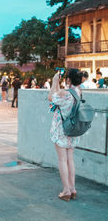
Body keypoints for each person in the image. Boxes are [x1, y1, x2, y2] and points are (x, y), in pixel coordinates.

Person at [48, 68, 84, 202]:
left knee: (62, 160)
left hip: (61, 130)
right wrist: (57, 84)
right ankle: (72, 188)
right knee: (70, 159)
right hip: (73, 129)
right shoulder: (78, 92)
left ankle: (66, 190)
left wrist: (53, 81)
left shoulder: (65, 93)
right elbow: (59, 95)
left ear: (68, 79)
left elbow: (51, 97)